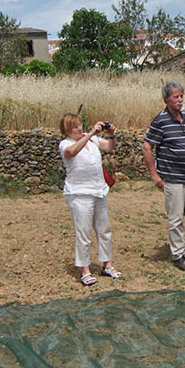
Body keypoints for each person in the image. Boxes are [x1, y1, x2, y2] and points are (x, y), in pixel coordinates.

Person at [144, 82, 185, 271]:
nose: (180, 100)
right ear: (166, 99)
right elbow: (147, 147)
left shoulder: (184, 118)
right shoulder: (161, 120)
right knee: (176, 217)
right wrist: (154, 175)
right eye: (175, 97)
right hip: (173, 178)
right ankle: (177, 254)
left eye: (181, 96)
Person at [60, 114, 122, 286]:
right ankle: (85, 269)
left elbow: (110, 147)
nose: (79, 129)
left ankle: (107, 264)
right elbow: (72, 152)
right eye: (75, 127)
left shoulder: (92, 141)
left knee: (104, 230)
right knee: (84, 232)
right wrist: (90, 134)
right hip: (79, 194)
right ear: (67, 130)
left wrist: (111, 134)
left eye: (80, 125)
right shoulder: (65, 144)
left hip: (99, 191)